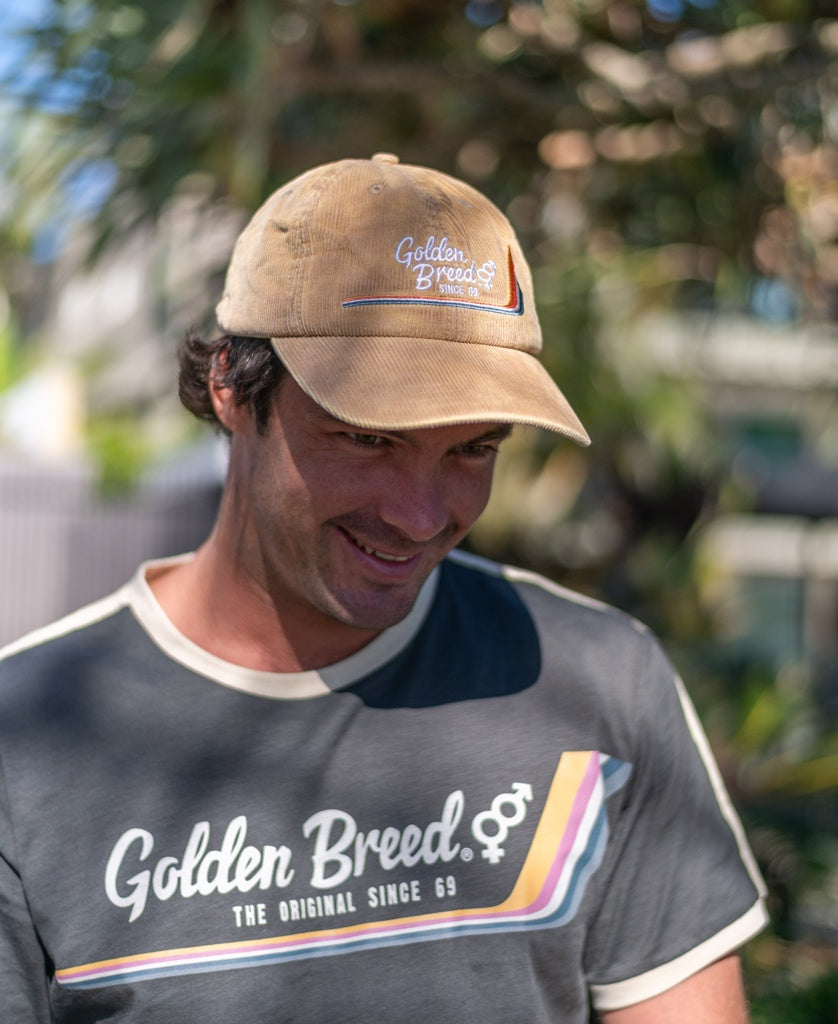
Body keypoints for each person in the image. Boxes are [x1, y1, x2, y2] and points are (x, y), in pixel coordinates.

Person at [0, 153, 767, 1023]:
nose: (419, 514)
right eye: (368, 438)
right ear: (231, 388)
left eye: (473, 448)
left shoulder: (598, 681)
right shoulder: (24, 744)